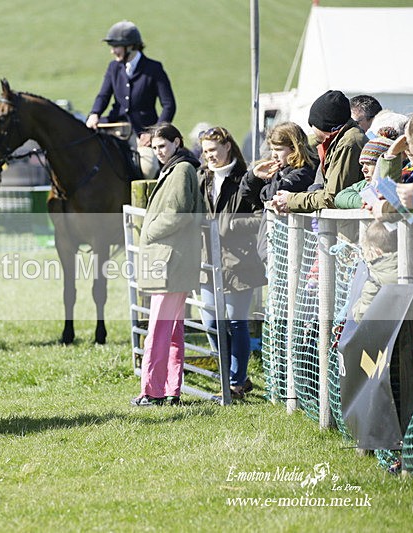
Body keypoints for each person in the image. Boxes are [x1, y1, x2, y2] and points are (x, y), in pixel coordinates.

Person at [131, 123, 202, 407]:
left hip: (172, 262)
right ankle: (171, 390)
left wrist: (147, 230)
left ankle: (152, 391)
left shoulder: (182, 169)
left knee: (158, 331)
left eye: (163, 146)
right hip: (174, 262)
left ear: (176, 142)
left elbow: (179, 214)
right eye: (155, 147)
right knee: (171, 331)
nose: (159, 152)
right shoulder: (176, 168)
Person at [196, 127, 266, 400]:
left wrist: (231, 224)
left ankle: (235, 383)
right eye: (205, 151)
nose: (209, 156)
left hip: (240, 262)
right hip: (208, 260)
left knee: (236, 322)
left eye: (213, 150)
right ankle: (234, 375)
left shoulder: (247, 178)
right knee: (211, 320)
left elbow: (263, 217)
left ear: (227, 146)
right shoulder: (203, 178)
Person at [86, 20, 176, 180]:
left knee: (149, 167)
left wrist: (154, 134)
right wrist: (94, 113)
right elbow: (103, 95)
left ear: (130, 46)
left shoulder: (154, 68)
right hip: (113, 126)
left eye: (115, 47)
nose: (112, 51)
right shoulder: (113, 67)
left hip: (142, 132)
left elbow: (169, 106)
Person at [271, 90, 368, 213]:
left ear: (323, 124)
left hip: (350, 229)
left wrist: (290, 200)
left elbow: (332, 197)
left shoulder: (348, 144)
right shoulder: (343, 140)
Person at [240, 122, 317, 260]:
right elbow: (249, 195)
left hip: (290, 251)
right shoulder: (278, 171)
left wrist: (264, 190)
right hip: (271, 248)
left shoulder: (304, 172)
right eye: (272, 149)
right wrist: (254, 176)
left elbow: (272, 194)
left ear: (294, 148)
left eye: (279, 149)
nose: (274, 155)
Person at [334, 129, 401, 209]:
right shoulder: (365, 184)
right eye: (363, 164)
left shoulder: (401, 183)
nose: (364, 169)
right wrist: (363, 200)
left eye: (369, 164)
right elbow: (340, 197)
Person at [351, 220, 398, 323]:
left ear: (376, 251)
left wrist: (356, 308)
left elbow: (361, 316)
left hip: (388, 333)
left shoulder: (374, 281)